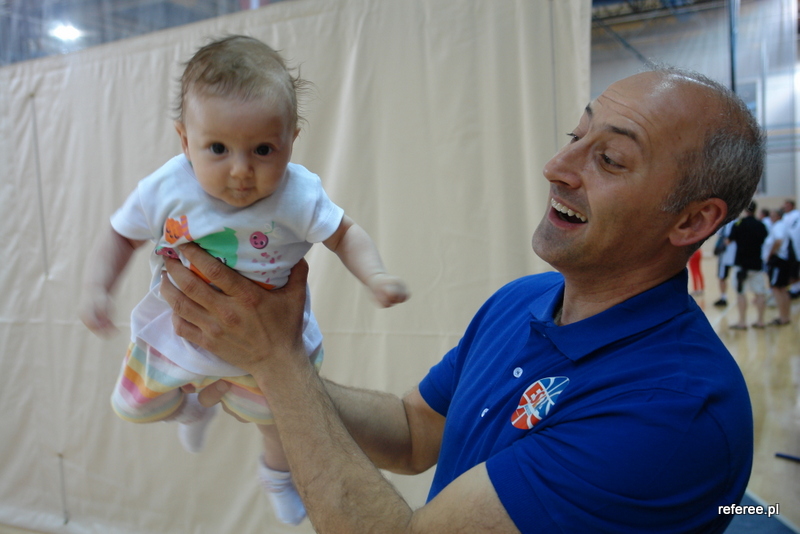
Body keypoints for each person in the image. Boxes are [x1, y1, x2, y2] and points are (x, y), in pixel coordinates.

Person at [161, 66, 763, 533]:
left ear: (692, 221)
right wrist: (253, 368)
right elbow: (414, 432)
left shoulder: (671, 412)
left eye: (609, 159)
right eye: (575, 136)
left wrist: (277, 363)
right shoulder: (523, 300)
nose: (557, 166)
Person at [78, 35, 409, 525]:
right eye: (218, 148)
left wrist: (374, 275)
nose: (240, 171)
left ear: (291, 140)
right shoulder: (166, 187)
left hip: (269, 338)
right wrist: (97, 286)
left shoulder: (298, 194)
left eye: (262, 150)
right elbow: (119, 236)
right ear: (184, 140)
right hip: (181, 328)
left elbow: (345, 234)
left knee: (279, 419)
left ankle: (276, 475)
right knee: (136, 406)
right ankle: (193, 407)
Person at [727, 201, 769, 329]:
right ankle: (760, 321)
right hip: (756, 264)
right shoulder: (761, 225)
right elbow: (765, 239)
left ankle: (742, 322)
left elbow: (728, 240)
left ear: (745, 209)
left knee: (741, 293)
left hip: (741, 265)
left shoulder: (739, 224)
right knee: (760, 293)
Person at [766, 207, 793, 326]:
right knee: (783, 289)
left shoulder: (778, 226)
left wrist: (770, 254)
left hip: (779, 261)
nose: (771, 218)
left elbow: (778, 241)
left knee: (776, 288)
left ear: (779, 217)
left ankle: (782, 317)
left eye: (773, 215)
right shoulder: (782, 226)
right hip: (784, 260)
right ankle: (786, 316)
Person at [712, 219, 737, 307]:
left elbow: (719, 234)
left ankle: (724, 297)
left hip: (725, 256)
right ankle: (737, 296)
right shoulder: (737, 222)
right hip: (736, 255)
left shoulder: (726, 224)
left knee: (722, 277)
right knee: (734, 277)